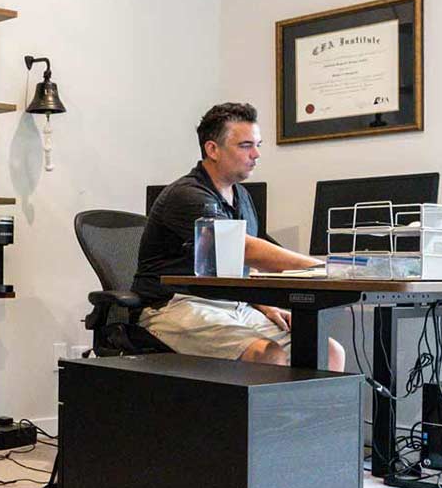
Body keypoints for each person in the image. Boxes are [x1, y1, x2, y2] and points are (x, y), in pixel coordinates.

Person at [132, 102, 346, 371]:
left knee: (328, 352)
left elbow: (240, 268)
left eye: (258, 145)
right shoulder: (187, 195)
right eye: (245, 145)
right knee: (269, 355)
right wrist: (323, 267)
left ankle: (310, 414)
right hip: (175, 305)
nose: (256, 154)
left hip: (231, 304)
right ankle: (273, 414)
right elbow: (242, 249)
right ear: (212, 149)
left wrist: (265, 305)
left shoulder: (241, 196)